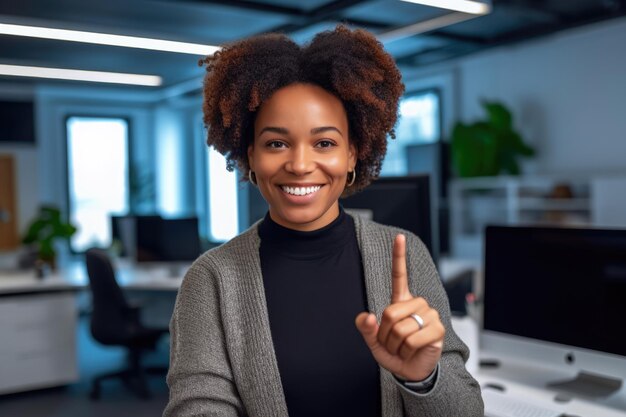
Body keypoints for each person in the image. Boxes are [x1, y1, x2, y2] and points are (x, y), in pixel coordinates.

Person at [163, 25, 483, 417]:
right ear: (251, 156)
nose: (299, 165)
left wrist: (423, 378)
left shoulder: (404, 253)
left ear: (352, 154)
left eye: (325, 143)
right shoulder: (212, 279)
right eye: (276, 143)